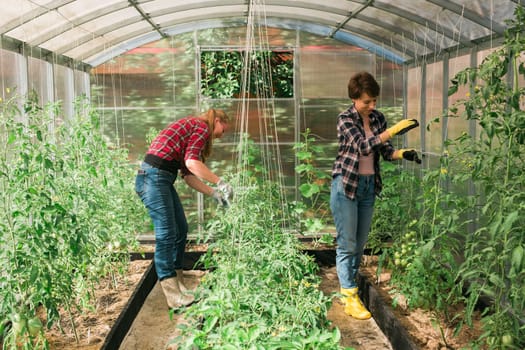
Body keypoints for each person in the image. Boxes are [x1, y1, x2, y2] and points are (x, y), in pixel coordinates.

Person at [330, 72, 421, 320]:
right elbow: (362, 146)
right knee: (347, 243)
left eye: (374, 101)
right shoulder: (345, 119)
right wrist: (392, 130)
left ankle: (352, 289)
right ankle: (348, 297)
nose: (372, 106)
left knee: (359, 245)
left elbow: (384, 150)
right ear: (354, 98)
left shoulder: (378, 118)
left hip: (369, 186)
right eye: (367, 102)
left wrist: (403, 153)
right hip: (347, 186)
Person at [135, 108, 233, 309]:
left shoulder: (193, 129)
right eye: (224, 128)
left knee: (180, 229)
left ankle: (178, 279)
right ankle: (172, 295)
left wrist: (214, 193)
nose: (223, 134)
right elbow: (192, 163)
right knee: (166, 234)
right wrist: (220, 182)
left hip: (160, 179)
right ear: (216, 120)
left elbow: (188, 175)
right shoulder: (200, 126)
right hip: (152, 178)